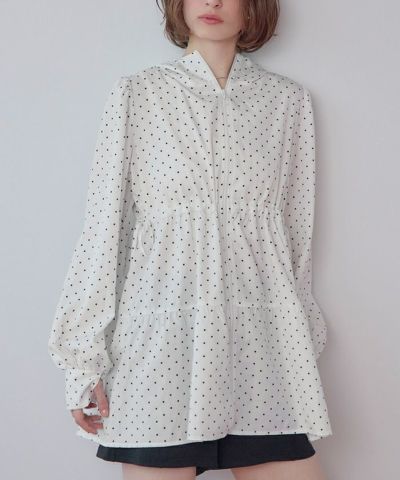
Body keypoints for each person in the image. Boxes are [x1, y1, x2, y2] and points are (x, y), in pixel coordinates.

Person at [48, 0, 332, 478]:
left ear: (253, 9)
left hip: (262, 348)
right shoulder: (138, 94)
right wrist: (83, 359)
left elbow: (296, 236)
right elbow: (104, 229)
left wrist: (300, 338)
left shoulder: (287, 102)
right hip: (160, 347)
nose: (212, 1)